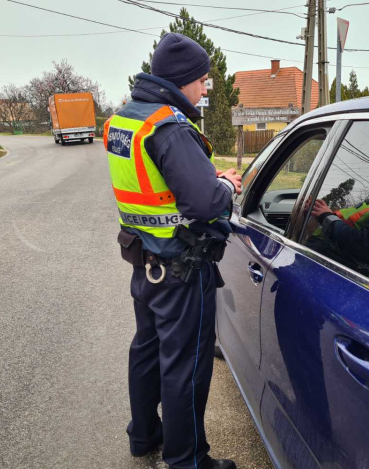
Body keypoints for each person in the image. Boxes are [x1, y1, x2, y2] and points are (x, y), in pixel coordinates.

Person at [103, 32, 241, 469]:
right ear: (182, 80)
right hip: (182, 268)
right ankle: (188, 460)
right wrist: (224, 184)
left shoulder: (125, 120)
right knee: (187, 366)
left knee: (146, 349)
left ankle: (143, 436)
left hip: (143, 262)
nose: (204, 89)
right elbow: (204, 204)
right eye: (202, 80)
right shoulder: (170, 127)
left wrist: (200, 177)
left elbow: (155, 185)